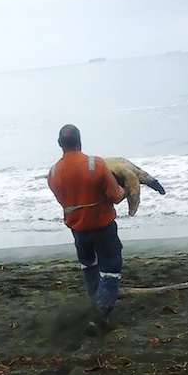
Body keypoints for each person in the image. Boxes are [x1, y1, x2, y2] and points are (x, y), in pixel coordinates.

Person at [48, 125, 126, 325]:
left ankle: (97, 307)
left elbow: (64, 202)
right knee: (111, 267)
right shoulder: (96, 165)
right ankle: (99, 316)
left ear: (59, 144)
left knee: (89, 266)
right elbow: (115, 196)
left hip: (79, 232)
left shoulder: (53, 173)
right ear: (80, 141)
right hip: (103, 228)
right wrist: (125, 189)